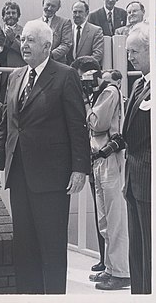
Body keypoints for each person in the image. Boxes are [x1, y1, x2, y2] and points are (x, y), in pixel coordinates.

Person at [0, 20, 90, 294]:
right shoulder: (15, 76)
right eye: (22, 39)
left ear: (47, 46)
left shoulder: (65, 75)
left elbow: (77, 125)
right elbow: (6, 124)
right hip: (19, 175)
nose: (24, 45)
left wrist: (80, 168)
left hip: (52, 178)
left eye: (30, 40)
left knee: (52, 249)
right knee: (24, 248)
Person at [84, 69, 130, 290]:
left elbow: (98, 124)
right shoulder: (99, 94)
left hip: (110, 158)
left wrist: (85, 102)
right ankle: (111, 268)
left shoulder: (110, 91)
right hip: (98, 159)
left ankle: (122, 272)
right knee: (105, 220)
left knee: (115, 218)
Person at [70, 56, 106, 272]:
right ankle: (103, 258)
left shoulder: (104, 94)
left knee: (107, 214)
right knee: (99, 212)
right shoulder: (89, 96)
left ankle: (110, 262)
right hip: (91, 160)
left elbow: (96, 123)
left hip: (105, 159)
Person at [123, 22, 151, 294]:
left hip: (148, 180)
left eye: (135, 52)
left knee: (149, 252)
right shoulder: (139, 85)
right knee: (138, 253)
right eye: (128, 52)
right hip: (133, 180)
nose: (130, 58)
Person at [0, 1, 25, 103]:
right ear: (3, 16)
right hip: (0, 74)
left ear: (18, 15)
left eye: (13, 13)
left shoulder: (24, 31)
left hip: (17, 73)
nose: (11, 15)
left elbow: (25, 50)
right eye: (7, 13)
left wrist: (13, 40)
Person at [37, 0, 73, 64]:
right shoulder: (34, 23)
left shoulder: (65, 23)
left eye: (53, 6)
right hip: (38, 63)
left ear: (58, 8)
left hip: (57, 63)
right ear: (43, 3)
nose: (49, 8)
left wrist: (50, 55)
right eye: (48, 4)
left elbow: (66, 44)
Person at [67, 0, 104, 66]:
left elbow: (98, 54)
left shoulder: (96, 30)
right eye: (75, 12)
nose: (77, 15)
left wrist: (81, 66)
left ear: (87, 13)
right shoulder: (67, 30)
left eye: (80, 12)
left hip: (87, 70)